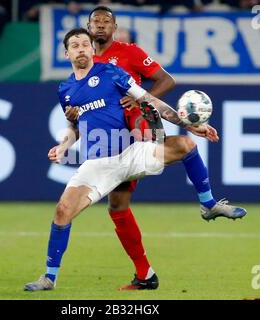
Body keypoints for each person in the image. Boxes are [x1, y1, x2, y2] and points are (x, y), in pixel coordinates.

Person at [24, 28, 247, 291]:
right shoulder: (66, 90)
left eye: (85, 43)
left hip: (132, 152)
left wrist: (188, 125)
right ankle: (50, 277)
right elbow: (75, 127)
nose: (82, 48)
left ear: (92, 49)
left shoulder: (111, 73)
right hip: (98, 165)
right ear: (67, 53)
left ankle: (208, 205)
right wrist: (63, 146)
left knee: (185, 145)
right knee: (63, 211)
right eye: (75, 45)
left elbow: (151, 100)